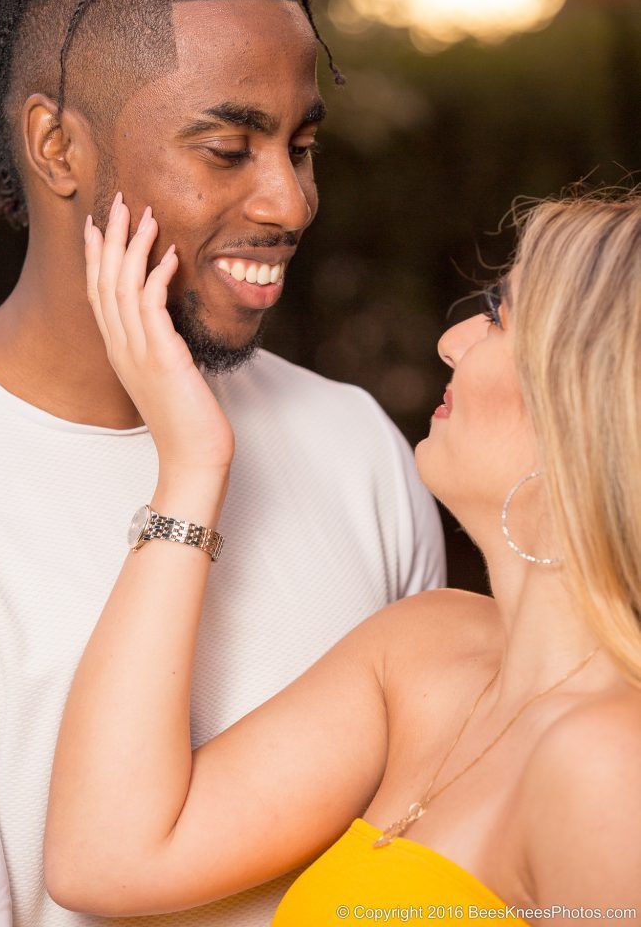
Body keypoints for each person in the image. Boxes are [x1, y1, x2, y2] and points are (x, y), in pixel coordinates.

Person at [0, 0, 445, 926]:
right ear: (57, 145)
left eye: (302, 146)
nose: (290, 201)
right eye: (229, 147)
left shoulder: (352, 440)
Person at [44, 193, 641, 923]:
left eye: (497, 315)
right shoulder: (422, 649)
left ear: (585, 407)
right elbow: (104, 857)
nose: (453, 341)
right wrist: (194, 466)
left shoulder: (612, 762)